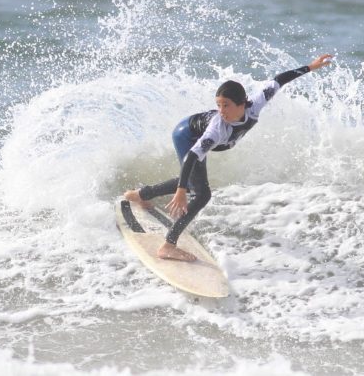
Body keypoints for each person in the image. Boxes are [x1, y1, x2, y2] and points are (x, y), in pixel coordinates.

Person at [124, 54, 333, 261]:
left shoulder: (256, 104)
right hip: (186, 136)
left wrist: (310, 67)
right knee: (202, 194)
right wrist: (180, 191)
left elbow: (279, 80)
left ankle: (140, 195)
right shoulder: (217, 129)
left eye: (226, 105)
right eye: (219, 105)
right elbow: (191, 157)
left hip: (198, 134)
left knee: (192, 184)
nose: (222, 111)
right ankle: (168, 246)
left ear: (242, 104)